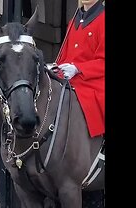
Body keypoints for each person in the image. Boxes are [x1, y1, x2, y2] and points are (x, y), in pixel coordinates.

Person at [55, 0, 105, 138]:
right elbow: (63, 56)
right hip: (70, 78)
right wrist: (56, 68)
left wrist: (78, 68)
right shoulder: (73, 22)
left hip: (93, 81)